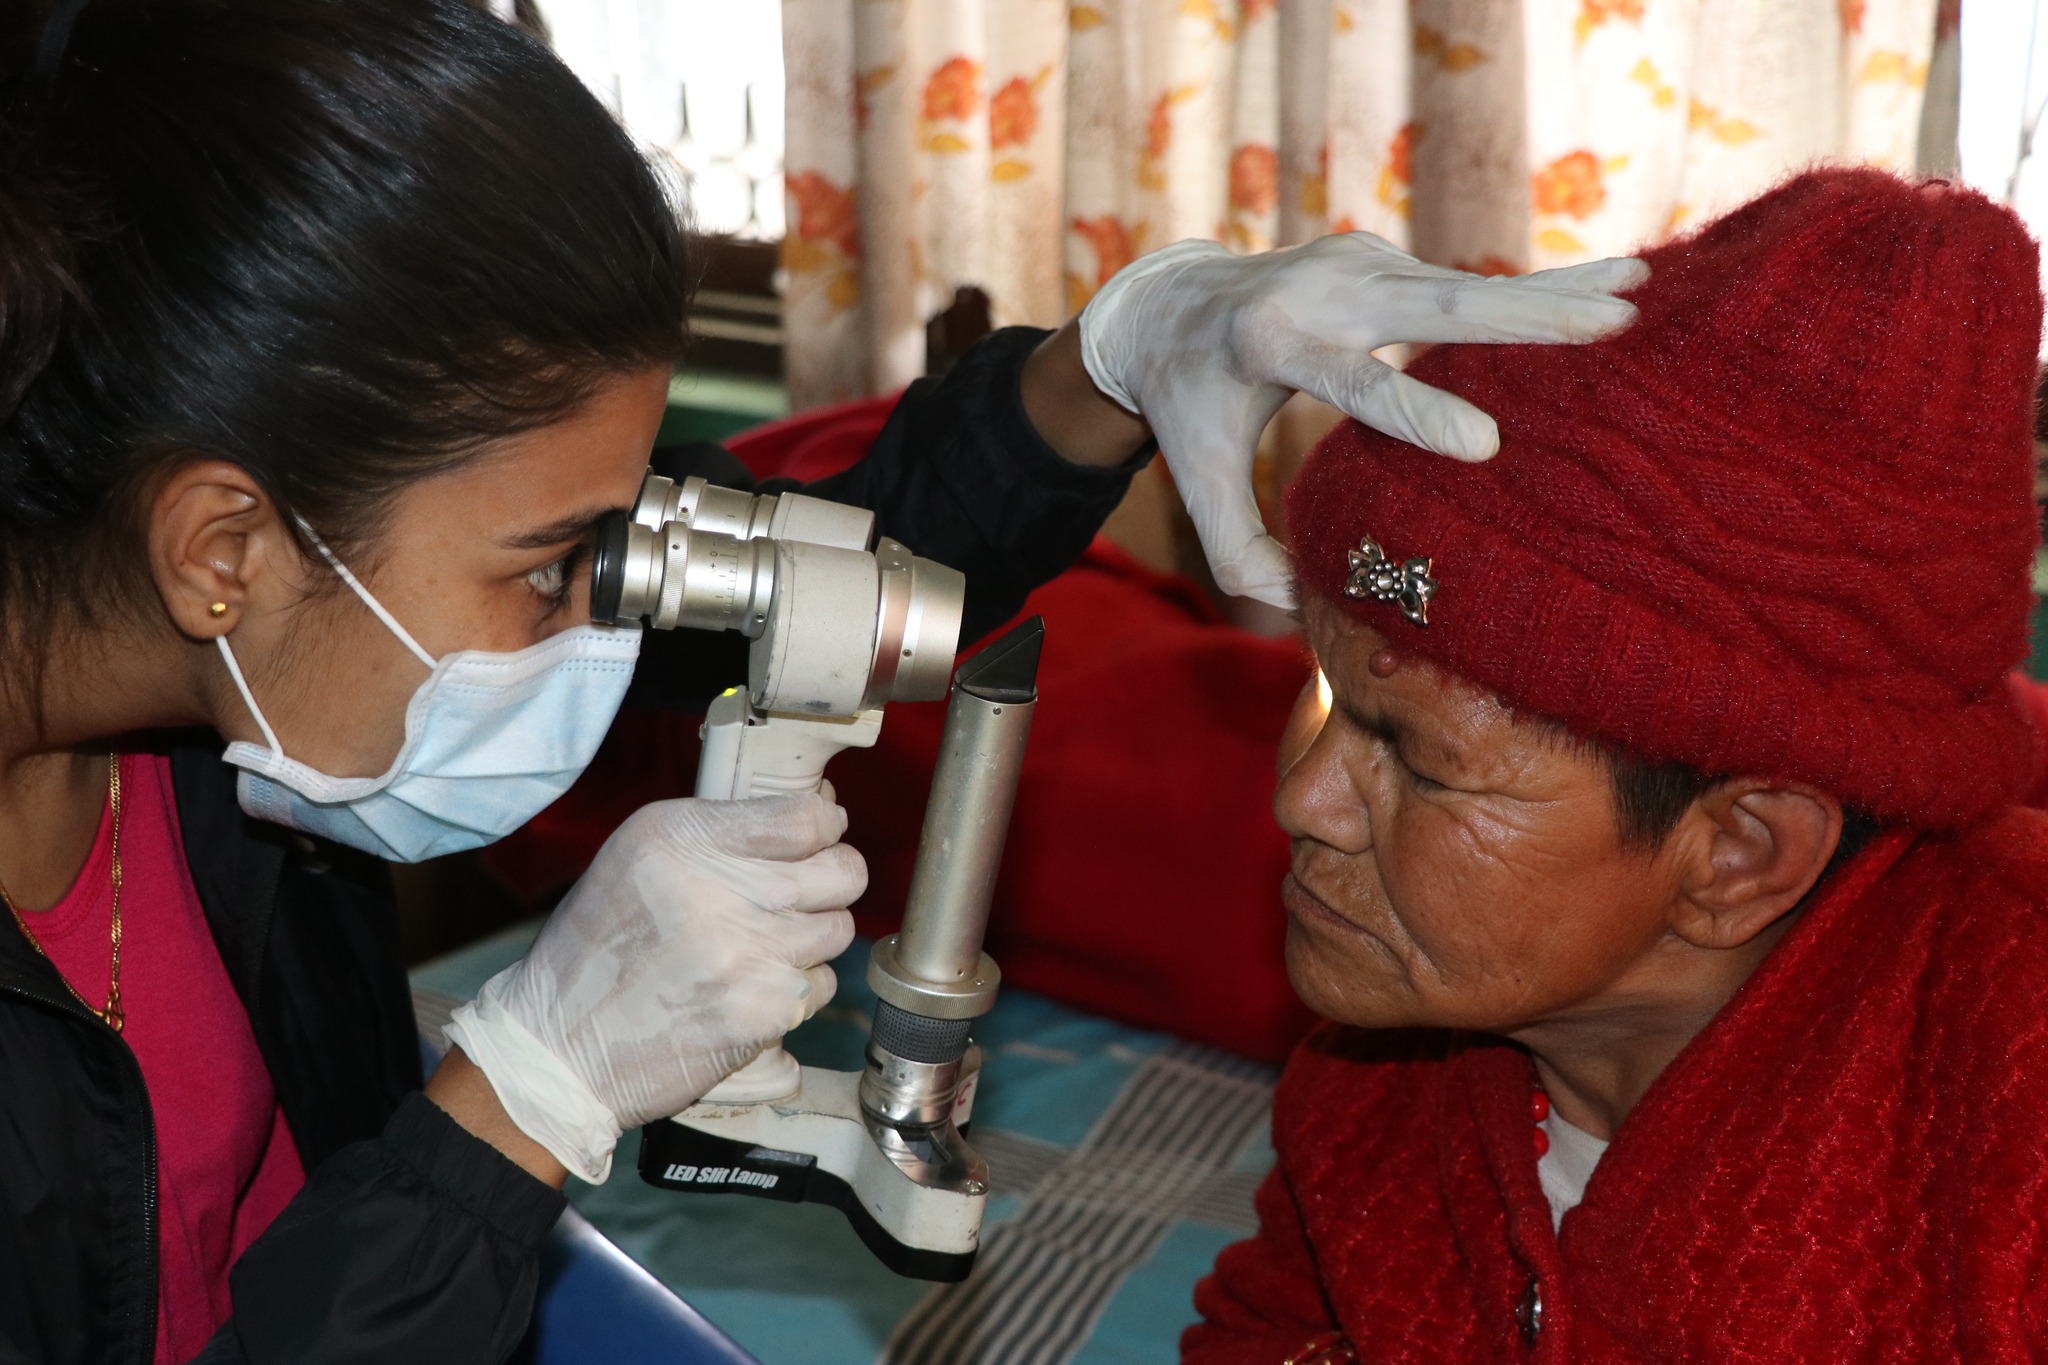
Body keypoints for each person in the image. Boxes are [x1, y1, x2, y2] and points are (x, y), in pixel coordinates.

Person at [0, 1, 1646, 1360]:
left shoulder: (242, 689)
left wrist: (1111, 367)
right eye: (550, 565)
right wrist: (514, 1107)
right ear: (223, 550)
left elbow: (809, 565)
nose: (604, 614)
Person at [1181, 167, 2048, 1363]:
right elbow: (1263, 1332)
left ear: (1736, 856)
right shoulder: (1379, 1070)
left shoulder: (2011, 1125)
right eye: (1324, 691)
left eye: (1420, 766)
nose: (1301, 801)